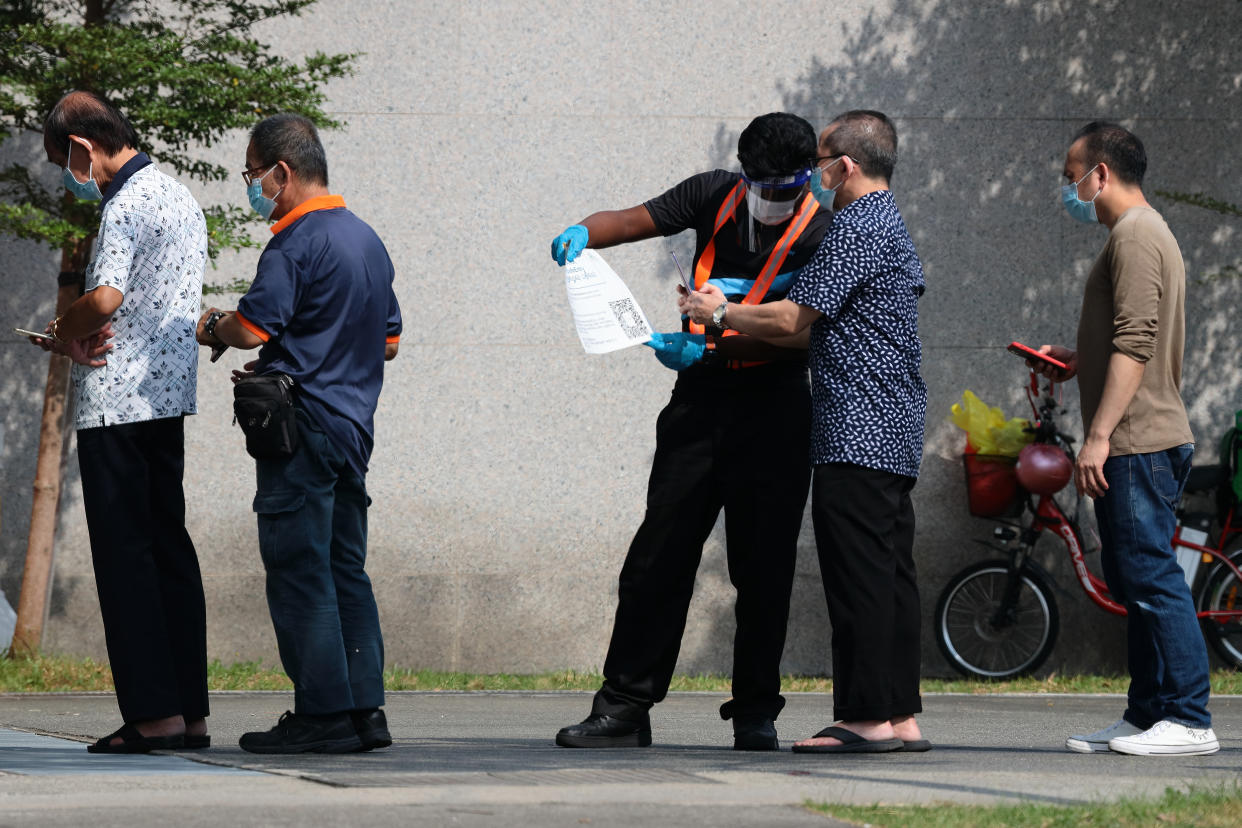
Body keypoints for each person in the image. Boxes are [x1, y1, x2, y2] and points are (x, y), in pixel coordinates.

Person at [550, 113, 834, 750]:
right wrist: (583, 233)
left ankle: (756, 710)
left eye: (783, 190)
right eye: (759, 187)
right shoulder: (713, 193)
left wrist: (716, 343)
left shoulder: (825, 227)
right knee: (658, 556)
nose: (770, 202)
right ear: (743, 174)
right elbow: (633, 220)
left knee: (763, 569)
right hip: (699, 406)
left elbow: (804, 335)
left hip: (776, 408)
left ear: (808, 178)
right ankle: (624, 706)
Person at [681, 110, 929, 754]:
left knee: (859, 577)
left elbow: (794, 319)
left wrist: (721, 311)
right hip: (894, 425)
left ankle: (867, 717)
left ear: (844, 165)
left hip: (856, 427)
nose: (813, 174)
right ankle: (900, 714)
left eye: (821, 160)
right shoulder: (892, 223)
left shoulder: (853, 226)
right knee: (892, 573)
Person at [196, 113, 401, 754]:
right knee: (346, 570)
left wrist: (212, 326)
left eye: (253, 173)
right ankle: (366, 712)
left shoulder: (294, 242)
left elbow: (251, 328)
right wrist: (301, 350)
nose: (251, 186)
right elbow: (388, 343)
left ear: (282, 174)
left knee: (297, 570)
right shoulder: (366, 239)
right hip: (351, 429)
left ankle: (321, 714)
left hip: (303, 432)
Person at [29, 91, 210, 753]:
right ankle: (188, 713)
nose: (70, 180)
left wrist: (59, 332)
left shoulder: (126, 204)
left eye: (64, 164)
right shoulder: (179, 197)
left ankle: (154, 716)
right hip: (167, 398)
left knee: (126, 559)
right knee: (168, 552)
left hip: (118, 402)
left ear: (82, 147)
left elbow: (104, 297)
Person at [1031, 122, 1218, 756]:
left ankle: (1191, 720)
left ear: (1101, 174)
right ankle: (1146, 716)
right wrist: (1080, 355)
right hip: (1138, 437)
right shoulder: (1139, 234)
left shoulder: (1137, 236)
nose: (1070, 189)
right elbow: (1129, 333)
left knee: (1151, 575)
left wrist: (1099, 436)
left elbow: (1139, 342)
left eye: (1071, 176)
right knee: (1134, 577)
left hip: (1139, 439)